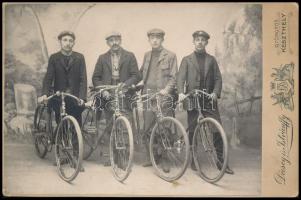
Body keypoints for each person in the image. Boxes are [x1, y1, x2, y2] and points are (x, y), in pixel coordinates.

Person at [177, 30, 234, 174]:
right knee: (193, 129)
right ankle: (193, 160)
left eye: (203, 39)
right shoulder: (186, 60)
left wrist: (215, 92)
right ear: (193, 42)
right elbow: (180, 78)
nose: (200, 42)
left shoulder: (212, 60)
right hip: (193, 98)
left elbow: (218, 79)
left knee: (217, 129)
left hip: (208, 98)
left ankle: (221, 162)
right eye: (197, 39)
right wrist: (181, 93)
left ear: (206, 42)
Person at [38, 30, 87, 172]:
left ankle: (77, 159)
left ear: (74, 43)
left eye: (70, 40)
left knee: (76, 126)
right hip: (59, 97)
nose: (68, 43)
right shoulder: (54, 58)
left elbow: (83, 79)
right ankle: (60, 155)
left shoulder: (80, 57)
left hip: (74, 98)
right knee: (61, 124)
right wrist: (45, 94)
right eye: (65, 40)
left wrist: (82, 98)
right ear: (60, 42)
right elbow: (48, 78)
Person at [92, 31, 140, 166]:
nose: (114, 43)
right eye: (111, 40)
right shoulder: (102, 58)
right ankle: (113, 156)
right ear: (108, 43)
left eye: (117, 39)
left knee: (125, 124)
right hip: (109, 92)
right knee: (110, 124)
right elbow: (96, 77)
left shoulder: (129, 56)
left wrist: (125, 85)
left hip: (124, 92)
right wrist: (104, 90)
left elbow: (136, 75)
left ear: (121, 40)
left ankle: (124, 157)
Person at [139, 28, 178, 172]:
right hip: (148, 95)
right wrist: (129, 83)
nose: (155, 40)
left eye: (158, 38)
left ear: (162, 40)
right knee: (148, 128)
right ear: (149, 40)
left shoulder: (171, 55)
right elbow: (141, 73)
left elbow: (174, 77)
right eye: (152, 38)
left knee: (165, 128)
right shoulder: (147, 55)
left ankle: (165, 158)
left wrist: (166, 91)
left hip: (163, 96)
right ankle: (153, 157)